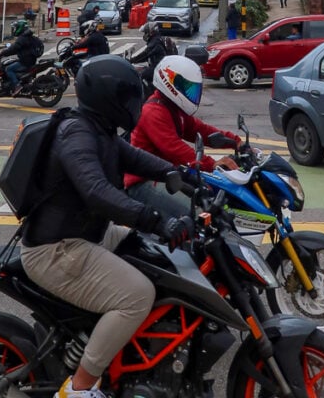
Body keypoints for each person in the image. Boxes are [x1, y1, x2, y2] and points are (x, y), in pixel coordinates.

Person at [20, 56, 189, 398]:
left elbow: (134, 158)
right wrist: (155, 219)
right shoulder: (76, 134)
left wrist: (182, 175)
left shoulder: (99, 128)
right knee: (137, 295)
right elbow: (97, 192)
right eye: (127, 98)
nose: (133, 106)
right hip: (56, 249)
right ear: (107, 98)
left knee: (157, 259)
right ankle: (80, 388)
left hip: (85, 236)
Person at [125, 54, 241, 218]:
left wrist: (235, 141)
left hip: (168, 176)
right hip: (144, 182)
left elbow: (200, 129)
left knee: (213, 199)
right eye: (187, 87)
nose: (190, 92)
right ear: (171, 83)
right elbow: (176, 150)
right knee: (199, 214)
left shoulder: (173, 108)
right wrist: (213, 164)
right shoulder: (153, 112)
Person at [0, 18, 45, 94]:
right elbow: (16, 47)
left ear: (20, 28)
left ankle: (17, 85)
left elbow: (14, 49)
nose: (15, 29)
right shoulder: (29, 36)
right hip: (30, 60)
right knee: (13, 63)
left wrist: (2, 53)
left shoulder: (22, 38)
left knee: (8, 69)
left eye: (16, 27)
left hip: (25, 62)